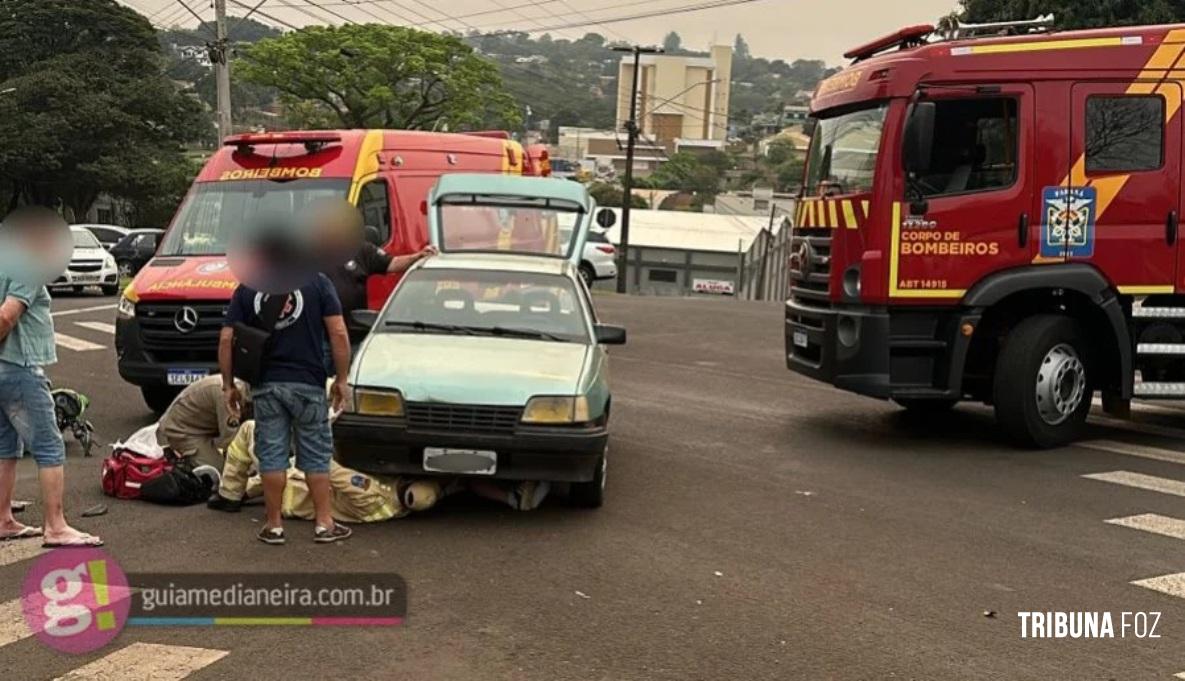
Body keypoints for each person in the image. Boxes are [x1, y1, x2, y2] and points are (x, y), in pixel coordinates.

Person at [219, 272, 353, 545]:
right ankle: (324, 524)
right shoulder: (317, 282)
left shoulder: (249, 286)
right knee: (316, 454)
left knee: (271, 454)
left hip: (266, 385)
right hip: (308, 383)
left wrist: (228, 384)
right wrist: (341, 379)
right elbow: (338, 332)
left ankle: (274, 526)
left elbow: (225, 339)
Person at [0, 207, 101, 547]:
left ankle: (2, 519)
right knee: (48, 444)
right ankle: (55, 526)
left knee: (5, 446)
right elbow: (7, 316)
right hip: (19, 364)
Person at [320, 207, 435, 345]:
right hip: (320, 338)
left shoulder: (362, 250)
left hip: (355, 335)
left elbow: (392, 263)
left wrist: (417, 256)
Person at [157, 374, 249, 468]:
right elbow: (231, 440)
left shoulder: (241, 387)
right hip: (182, 430)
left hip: (202, 426)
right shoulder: (228, 395)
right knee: (220, 471)